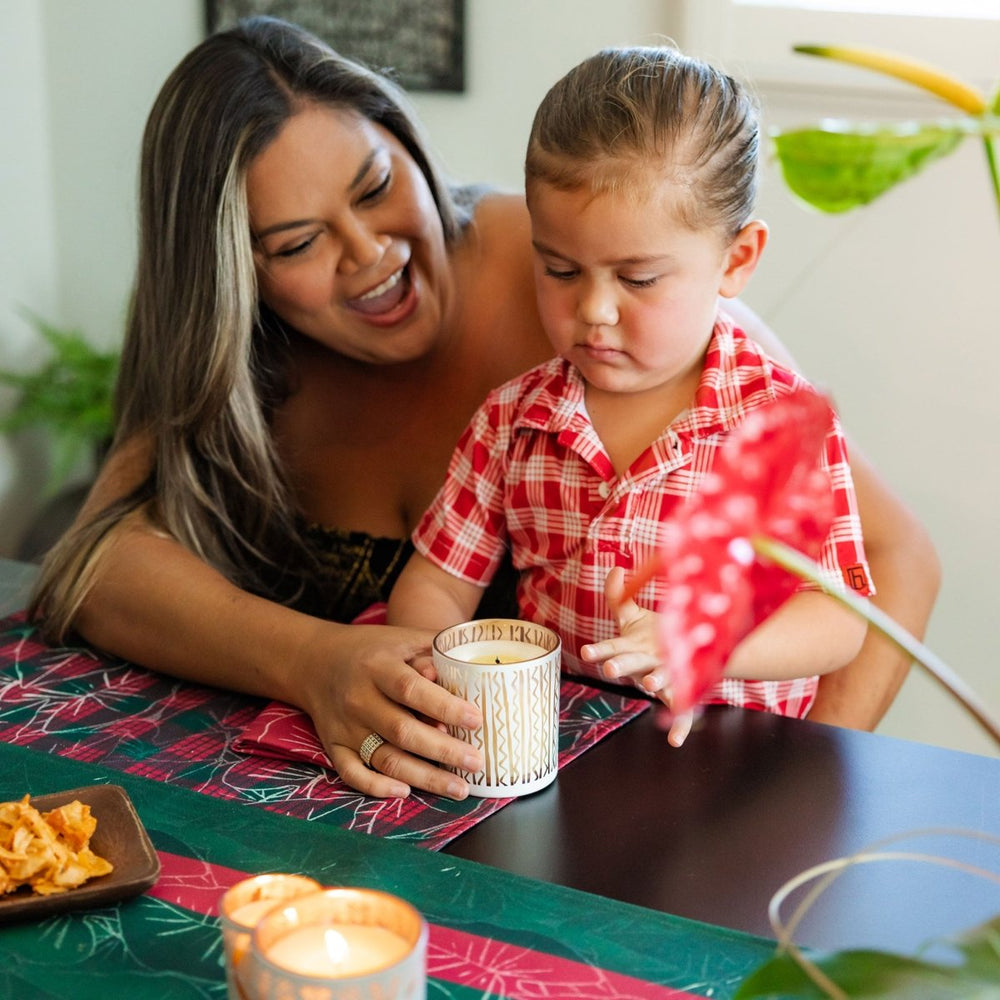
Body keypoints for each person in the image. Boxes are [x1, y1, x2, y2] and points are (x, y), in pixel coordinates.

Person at [26, 17, 937, 800]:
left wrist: (806, 786)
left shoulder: (696, 350)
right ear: (234, 279)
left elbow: (877, 580)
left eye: (377, 186)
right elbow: (103, 560)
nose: (369, 252)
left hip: (728, 780)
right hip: (513, 787)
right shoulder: (498, 407)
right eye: (298, 241)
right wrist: (325, 662)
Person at [386, 46, 872, 742]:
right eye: (559, 269)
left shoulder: (778, 428)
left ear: (735, 260)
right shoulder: (511, 420)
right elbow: (438, 582)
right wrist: (440, 670)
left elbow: (838, 616)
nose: (595, 311)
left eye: (638, 280)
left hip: (744, 771)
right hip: (564, 752)